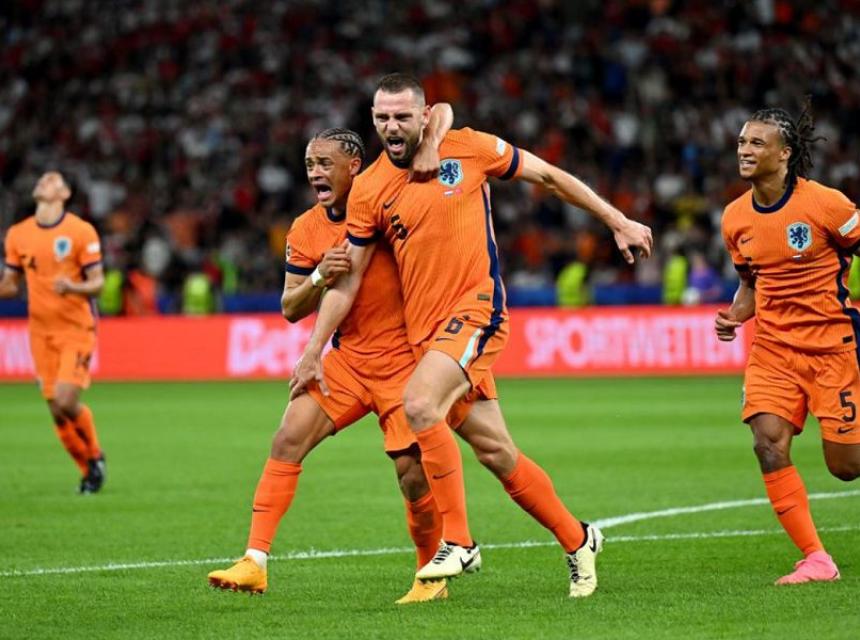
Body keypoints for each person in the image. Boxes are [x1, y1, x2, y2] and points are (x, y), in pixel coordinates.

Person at [291, 73, 653, 598]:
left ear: (423, 115)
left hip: (476, 312)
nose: (392, 126)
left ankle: (458, 541)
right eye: (382, 117)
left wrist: (616, 219)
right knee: (497, 452)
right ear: (373, 120)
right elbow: (348, 281)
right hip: (425, 336)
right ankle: (579, 540)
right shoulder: (367, 189)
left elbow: (549, 176)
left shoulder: (470, 148)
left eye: (402, 116)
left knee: (419, 405)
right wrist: (313, 349)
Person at [209, 107, 459, 604]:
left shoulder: (389, 206)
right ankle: (254, 561)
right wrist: (321, 275)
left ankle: (430, 578)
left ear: (354, 167)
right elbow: (290, 307)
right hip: (348, 361)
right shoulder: (304, 229)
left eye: (324, 163)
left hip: (403, 363)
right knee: (287, 438)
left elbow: (441, 120)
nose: (315, 173)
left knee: (412, 475)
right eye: (309, 164)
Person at [716, 99, 860, 585]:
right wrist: (736, 315)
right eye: (742, 141)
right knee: (767, 444)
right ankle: (816, 558)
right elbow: (751, 284)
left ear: (785, 153)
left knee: (846, 467)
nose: (745, 150)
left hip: (833, 348)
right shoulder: (735, 217)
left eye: (757, 143)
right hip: (773, 351)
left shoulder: (826, 204)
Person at [0, 171, 106, 493]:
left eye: (52, 180)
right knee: (56, 411)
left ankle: (96, 455)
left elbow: (98, 283)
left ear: (65, 193)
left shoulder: (80, 231)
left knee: (65, 399)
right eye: (42, 179)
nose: (44, 181)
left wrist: (73, 287)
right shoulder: (18, 234)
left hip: (75, 327)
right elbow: (10, 285)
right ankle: (88, 471)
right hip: (40, 332)